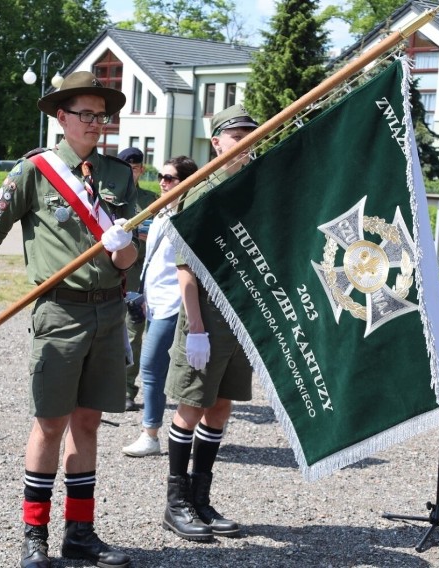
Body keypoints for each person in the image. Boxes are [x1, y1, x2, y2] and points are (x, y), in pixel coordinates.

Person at [0, 71, 137, 568]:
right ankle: (34, 536)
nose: (95, 123)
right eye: (85, 114)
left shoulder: (120, 175)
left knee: (88, 423)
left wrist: (123, 249)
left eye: (101, 115)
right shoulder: (34, 172)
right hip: (60, 311)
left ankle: (79, 533)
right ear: (61, 118)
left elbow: (129, 262)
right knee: (49, 424)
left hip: (108, 310)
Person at [161, 104, 259, 542]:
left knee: (220, 407)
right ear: (217, 142)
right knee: (191, 407)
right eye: (236, 136)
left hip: (239, 317)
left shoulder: (254, 187)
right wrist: (196, 326)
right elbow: (186, 266)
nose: (246, 143)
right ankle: (176, 503)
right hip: (206, 317)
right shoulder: (202, 191)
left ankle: (201, 498)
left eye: (250, 135)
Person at [122, 156, 198, 457]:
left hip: (174, 304)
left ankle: (150, 433)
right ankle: (177, 429)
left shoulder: (188, 216)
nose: (162, 183)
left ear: (186, 182)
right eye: (161, 176)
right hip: (154, 302)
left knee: (151, 365)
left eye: (169, 178)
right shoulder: (162, 211)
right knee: (162, 367)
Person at [117, 146, 158, 412]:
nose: (130, 173)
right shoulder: (108, 197)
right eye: (125, 168)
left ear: (141, 169)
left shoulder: (152, 201)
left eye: (134, 168)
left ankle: (126, 390)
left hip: (139, 275)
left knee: (133, 332)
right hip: (112, 274)